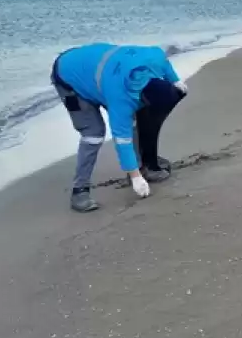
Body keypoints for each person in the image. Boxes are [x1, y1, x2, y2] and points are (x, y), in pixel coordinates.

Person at [50, 43, 188, 212]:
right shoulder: (121, 101)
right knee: (93, 134)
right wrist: (134, 177)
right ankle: (80, 191)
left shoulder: (155, 60)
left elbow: (165, 64)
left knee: (134, 122)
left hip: (96, 69)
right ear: (143, 98)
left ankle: (142, 167)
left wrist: (175, 80)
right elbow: (122, 139)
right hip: (69, 76)